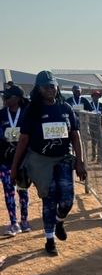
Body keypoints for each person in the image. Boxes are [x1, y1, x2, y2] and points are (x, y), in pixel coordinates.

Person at [10, 70, 87, 256]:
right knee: (49, 199)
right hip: (40, 162)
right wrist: (14, 167)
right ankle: (50, 240)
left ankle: (60, 222)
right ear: (39, 89)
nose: (50, 90)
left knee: (67, 199)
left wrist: (80, 162)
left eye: (52, 86)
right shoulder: (32, 111)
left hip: (63, 159)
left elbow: (75, 137)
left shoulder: (66, 109)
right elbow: (23, 140)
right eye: (46, 87)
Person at [0, 86, 30, 235]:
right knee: (8, 192)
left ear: (17, 98)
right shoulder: (0, 115)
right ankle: (14, 223)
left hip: (23, 161)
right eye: (4, 96)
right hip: (5, 161)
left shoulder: (26, 114)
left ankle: (24, 220)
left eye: (8, 96)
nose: (4, 99)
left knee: (22, 191)